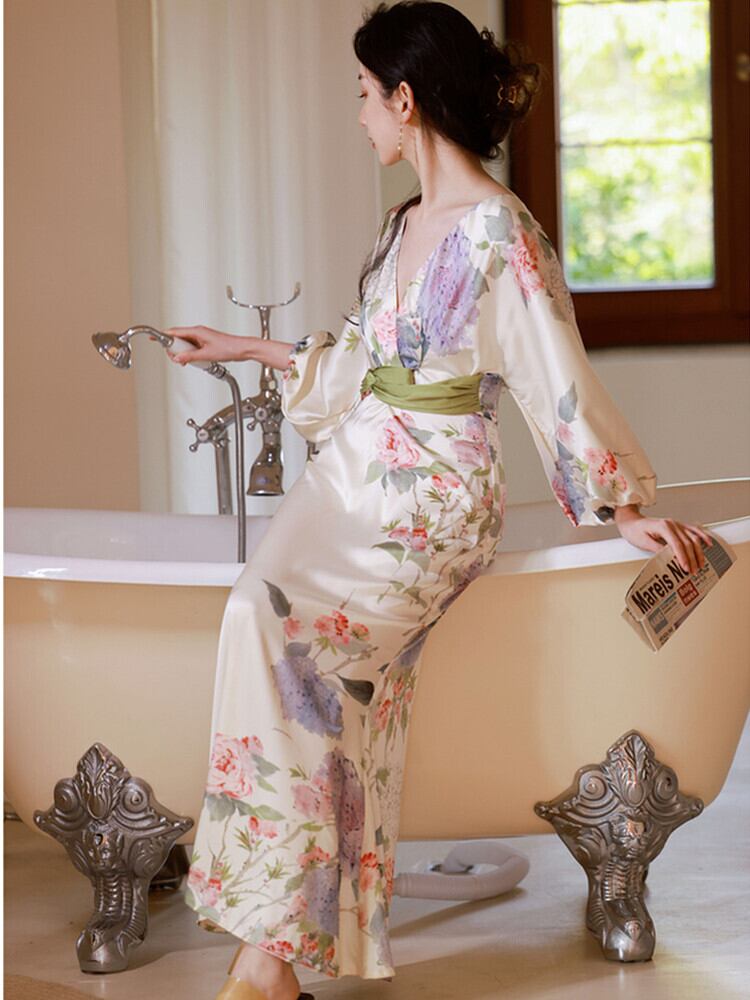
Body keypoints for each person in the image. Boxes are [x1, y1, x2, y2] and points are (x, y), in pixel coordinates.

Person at [167, 4, 712, 998]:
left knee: (300, 653)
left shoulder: (502, 231)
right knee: (255, 619)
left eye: (364, 95)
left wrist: (621, 504)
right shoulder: (401, 226)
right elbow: (359, 363)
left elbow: (554, 371)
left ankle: (267, 961)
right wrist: (241, 347)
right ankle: (273, 947)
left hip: (434, 495)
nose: (359, 117)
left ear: (406, 98)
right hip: (352, 477)